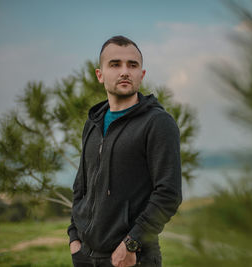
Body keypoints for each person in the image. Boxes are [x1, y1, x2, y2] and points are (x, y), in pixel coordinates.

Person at [67, 35, 182, 267]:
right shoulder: (93, 123)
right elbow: (82, 186)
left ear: (142, 74)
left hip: (131, 258)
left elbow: (168, 194)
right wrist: (74, 238)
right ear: (100, 75)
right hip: (85, 256)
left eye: (132, 65)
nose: (124, 71)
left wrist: (131, 244)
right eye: (115, 64)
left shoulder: (158, 123)